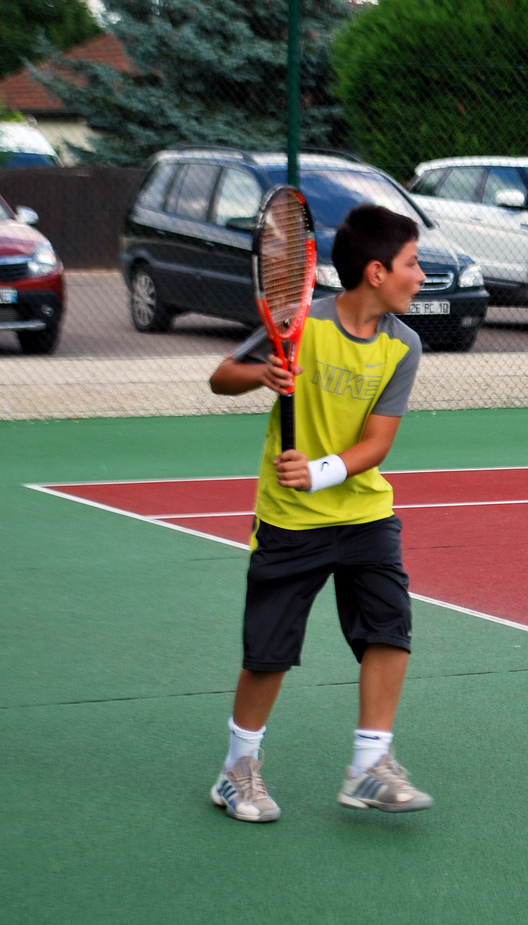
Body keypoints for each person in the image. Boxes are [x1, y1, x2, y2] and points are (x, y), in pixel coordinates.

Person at [206, 203, 430, 822]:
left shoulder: (402, 345)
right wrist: (263, 376)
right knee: (268, 653)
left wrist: (321, 471)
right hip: (289, 521)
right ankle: (237, 770)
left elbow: (377, 443)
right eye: (413, 263)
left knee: (390, 628)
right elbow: (221, 377)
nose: (421, 274)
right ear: (377, 272)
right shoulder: (301, 322)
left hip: (363, 513)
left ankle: (368, 766)